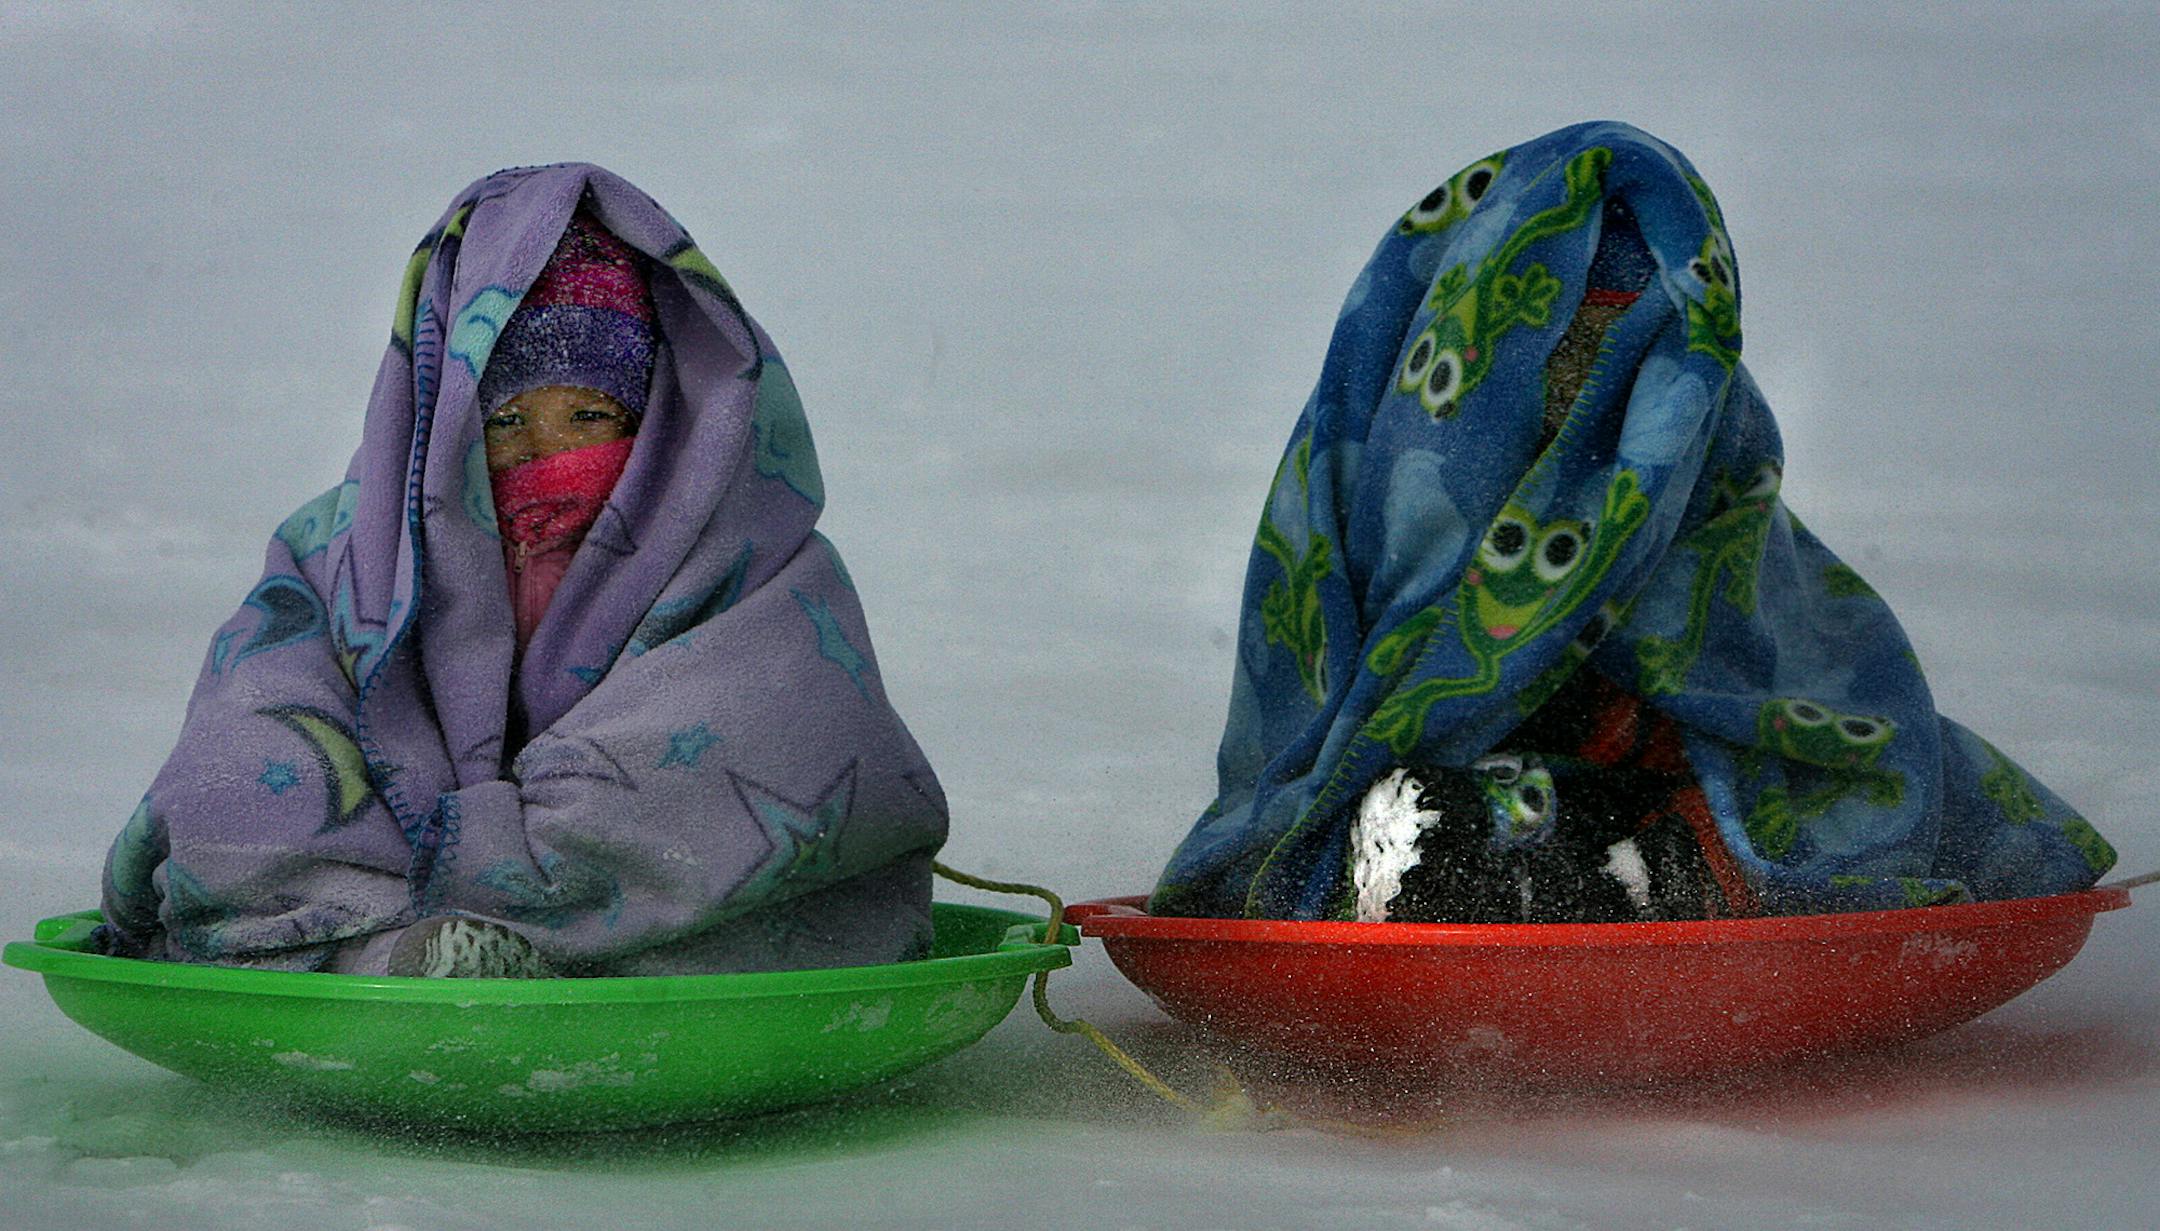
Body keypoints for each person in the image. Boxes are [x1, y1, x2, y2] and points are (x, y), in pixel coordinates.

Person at [1150, 122, 2115, 924]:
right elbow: (1302, 749)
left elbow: (1771, 680)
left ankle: (1599, 875)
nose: (1584, 383)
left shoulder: (1699, 466)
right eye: (1564, 341)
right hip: (1456, 790)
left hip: (1653, 781)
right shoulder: (1382, 472)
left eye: (1625, 347)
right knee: (1405, 823)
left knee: (1883, 802)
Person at [98, 164, 948, 977]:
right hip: (384, 883)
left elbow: (782, 729)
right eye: (506, 422)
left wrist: (507, 848)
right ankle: (407, 957)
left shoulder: (754, 560)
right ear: (445, 428)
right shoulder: (342, 553)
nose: (551, 455)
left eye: (590, 415)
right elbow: (253, 723)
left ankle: (480, 957)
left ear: (658, 423)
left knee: (743, 858)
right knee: (253, 783)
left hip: (661, 904)